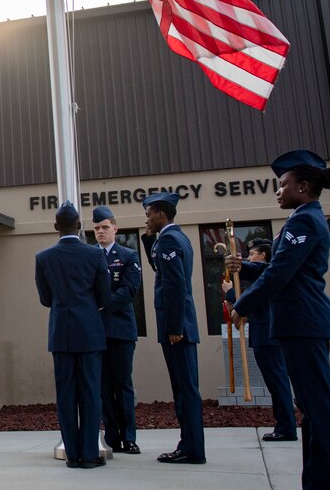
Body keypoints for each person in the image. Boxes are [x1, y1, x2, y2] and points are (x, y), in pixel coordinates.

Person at [227, 150, 330, 490]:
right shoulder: (302, 218)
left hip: (303, 322)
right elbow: (279, 267)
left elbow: (280, 273)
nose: (278, 191)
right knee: (309, 408)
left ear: (303, 186)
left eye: (283, 184)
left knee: (317, 408)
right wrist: (245, 266)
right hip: (299, 322)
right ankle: (314, 487)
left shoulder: (304, 221)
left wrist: (242, 305)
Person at [35, 201, 111, 469]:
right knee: (91, 392)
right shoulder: (95, 255)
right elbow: (104, 297)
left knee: (66, 393)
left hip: (62, 333)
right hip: (89, 331)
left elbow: (45, 299)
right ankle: (89, 453)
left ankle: (72, 454)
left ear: (56, 226)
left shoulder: (43, 258)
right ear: (79, 226)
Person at [142, 191, 206, 465]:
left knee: (185, 389)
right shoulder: (175, 238)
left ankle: (192, 449)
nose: (146, 219)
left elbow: (175, 285)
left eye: (149, 214)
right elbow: (160, 269)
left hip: (177, 328)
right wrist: (148, 239)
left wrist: (174, 326)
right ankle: (189, 445)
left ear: (161, 213)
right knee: (183, 388)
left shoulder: (169, 239)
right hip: (178, 325)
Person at [222, 238, 297, 442]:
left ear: (263, 255)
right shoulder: (264, 273)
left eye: (252, 254)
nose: (249, 257)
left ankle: (286, 427)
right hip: (264, 336)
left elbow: (255, 300)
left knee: (277, 381)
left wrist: (231, 291)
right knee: (275, 382)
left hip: (268, 336)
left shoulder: (268, 272)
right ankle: (284, 424)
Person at [91, 206, 142, 455]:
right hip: (97, 331)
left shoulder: (128, 255)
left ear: (115, 229)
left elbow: (129, 289)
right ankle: (112, 437)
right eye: (96, 228)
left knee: (123, 384)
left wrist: (103, 304)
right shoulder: (89, 255)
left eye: (105, 227)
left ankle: (129, 437)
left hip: (121, 329)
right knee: (103, 387)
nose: (101, 232)